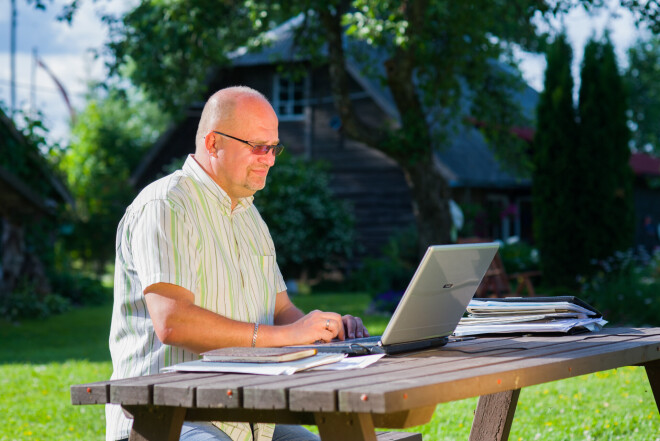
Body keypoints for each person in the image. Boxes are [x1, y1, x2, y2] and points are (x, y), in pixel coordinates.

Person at [106, 86, 369, 441]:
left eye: (273, 148)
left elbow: (281, 310)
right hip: (168, 417)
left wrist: (324, 331)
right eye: (258, 147)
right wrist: (286, 336)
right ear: (214, 143)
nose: (270, 158)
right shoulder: (166, 205)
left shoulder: (249, 215)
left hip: (250, 417)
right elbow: (173, 322)